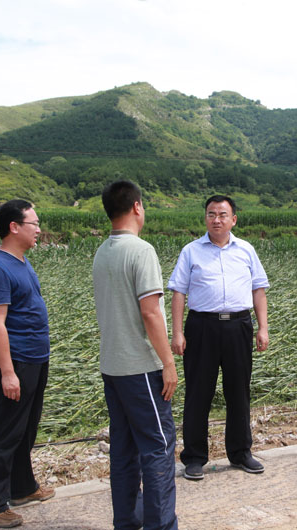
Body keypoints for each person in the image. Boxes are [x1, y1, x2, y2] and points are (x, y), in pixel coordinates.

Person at [93, 181, 179, 530]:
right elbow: (150, 312)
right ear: (137, 207)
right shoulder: (141, 251)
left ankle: (127, 522)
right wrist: (168, 363)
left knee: (124, 449)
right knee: (158, 447)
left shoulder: (102, 251)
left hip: (112, 366)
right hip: (141, 367)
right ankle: (161, 525)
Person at [167, 194, 269, 481]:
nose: (217, 220)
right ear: (205, 218)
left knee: (239, 391)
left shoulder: (246, 250)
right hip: (202, 327)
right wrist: (177, 332)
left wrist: (263, 327)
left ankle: (241, 452)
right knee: (198, 392)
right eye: (211, 214)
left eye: (223, 215)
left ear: (233, 219)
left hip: (238, 326)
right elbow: (178, 292)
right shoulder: (191, 251)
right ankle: (194, 457)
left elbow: (258, 289)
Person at [0, 200, 55, 528]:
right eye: (34, 223)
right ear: (14, 226)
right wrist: (8, 373)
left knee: (25, 428)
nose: (39, 229)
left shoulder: (20, 261)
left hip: (34, 358)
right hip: (16, 361)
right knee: (5, 431)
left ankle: (22, 487)